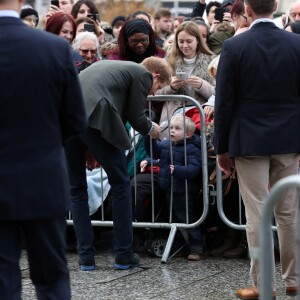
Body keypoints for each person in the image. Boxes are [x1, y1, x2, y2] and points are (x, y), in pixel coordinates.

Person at [0, 0, 87, 299]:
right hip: (43, 176)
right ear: (21, 3)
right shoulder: (53, 48)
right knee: (51, 278)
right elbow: (75, 119)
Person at [214, 0, 300, 298]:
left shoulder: (234, 47)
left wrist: (220, 147)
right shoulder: (296, 43)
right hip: (289, 137)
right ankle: (294, 278)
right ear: (276, 6)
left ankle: (264, 284)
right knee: (288, 211)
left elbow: (224, 101)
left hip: (249, 138)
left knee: (257, 212)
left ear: (247, 9)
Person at [64, 57, 172, 271]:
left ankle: (86, 257)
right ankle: (123, 254)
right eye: (157, 88)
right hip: (94, 120)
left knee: (77, 190)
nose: (152, 94)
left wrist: (89, 148)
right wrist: (153, 129)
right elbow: (137, 118)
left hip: (67, 120)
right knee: (121, 184)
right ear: (155, 76)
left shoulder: (105, 66)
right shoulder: (142, 74)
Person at [143, 115, 204, 261]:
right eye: (171, 128)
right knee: (173, 217)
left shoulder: (191, 149)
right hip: (168, 188)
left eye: (177, 129)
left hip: (183, 190)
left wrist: (178, 170)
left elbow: (194, 168)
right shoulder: (166, 144)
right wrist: (149, 139)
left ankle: (197, 246)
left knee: (187, 218)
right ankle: (178, 243)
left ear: (188, 134)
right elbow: (156, 153)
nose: (172, 131)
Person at [157, 21, 215, 139]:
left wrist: (202, 85)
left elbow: (219, 92)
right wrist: (171, 87)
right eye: (181, 41)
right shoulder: (167, 61)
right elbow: (156, 93)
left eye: (189, 41)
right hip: (173, 120)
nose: (184, 45)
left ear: (198, 40)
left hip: (200, 120)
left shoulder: (211, 61)